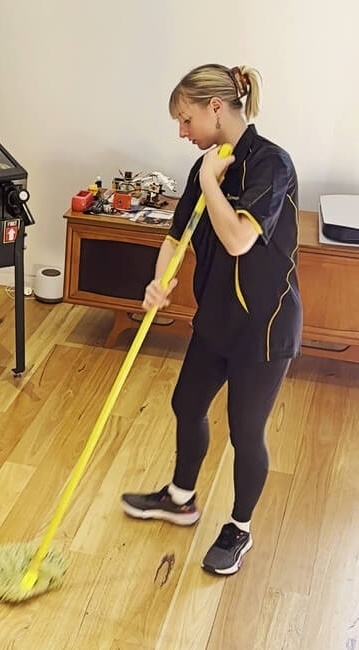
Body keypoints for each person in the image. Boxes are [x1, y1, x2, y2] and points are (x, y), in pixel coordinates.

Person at [120, 64, 302, 576]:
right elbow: (175, 237)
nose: (182, 132)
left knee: (246, 433)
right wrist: (160, 282)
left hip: (263, 327)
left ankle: (239, 529)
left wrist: (208, 183)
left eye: (185, 119)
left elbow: (239, 238)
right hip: (216, 317)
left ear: (215, 108)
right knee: (186, 403)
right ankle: (180, 497)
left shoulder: (272, 164)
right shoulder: (210, 163)